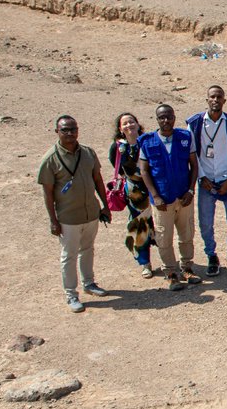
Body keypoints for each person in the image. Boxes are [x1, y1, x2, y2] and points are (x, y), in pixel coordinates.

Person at [38, 115, 112, 312]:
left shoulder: (88, 153)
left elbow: (98, 180)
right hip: (68, 217)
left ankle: (89, 283)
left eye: (73, 129)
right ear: (57, 132)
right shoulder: (50, 159)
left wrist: (105, 205)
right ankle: (71, 294)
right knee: (68, 255)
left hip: (90, 213)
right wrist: (53, 220)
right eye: (65, 130)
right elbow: (47, 193)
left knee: (88, 249)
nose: (70, 133)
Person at [138, 105, 199, 291]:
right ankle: (170, 272)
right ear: (157, 119)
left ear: (174, 117)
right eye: (162, 118)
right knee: (164, 237)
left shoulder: (185, 137)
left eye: (169, 117)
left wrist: (190, 191)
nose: (166, 121)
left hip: (183, 196)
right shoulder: (147, 142)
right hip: (162, 200)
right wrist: (155, 196)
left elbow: (194, 166)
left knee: (187, 233)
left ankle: (187, 267)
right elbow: (144, 170)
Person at [187, 85, 227, 277]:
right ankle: (211, 254)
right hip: (206, 181)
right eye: (212, 97)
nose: (215, 100)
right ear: (207, 100)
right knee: (205, 222)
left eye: (219, 97)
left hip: (226, 178)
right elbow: (193, 153)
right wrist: (201, 177)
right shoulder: (195, 123)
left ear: (224, 100)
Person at [108, 112, 155, 279]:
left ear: (137, 123)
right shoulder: (118, 147)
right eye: (125, 124)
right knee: (140, 225)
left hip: (154, 188)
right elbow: (117, 167)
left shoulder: (148, 141)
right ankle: (145, 263)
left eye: (131, 122)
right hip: (134, 193)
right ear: (120, 129)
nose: (129, 125)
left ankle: (167, 261)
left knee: (158, 225)